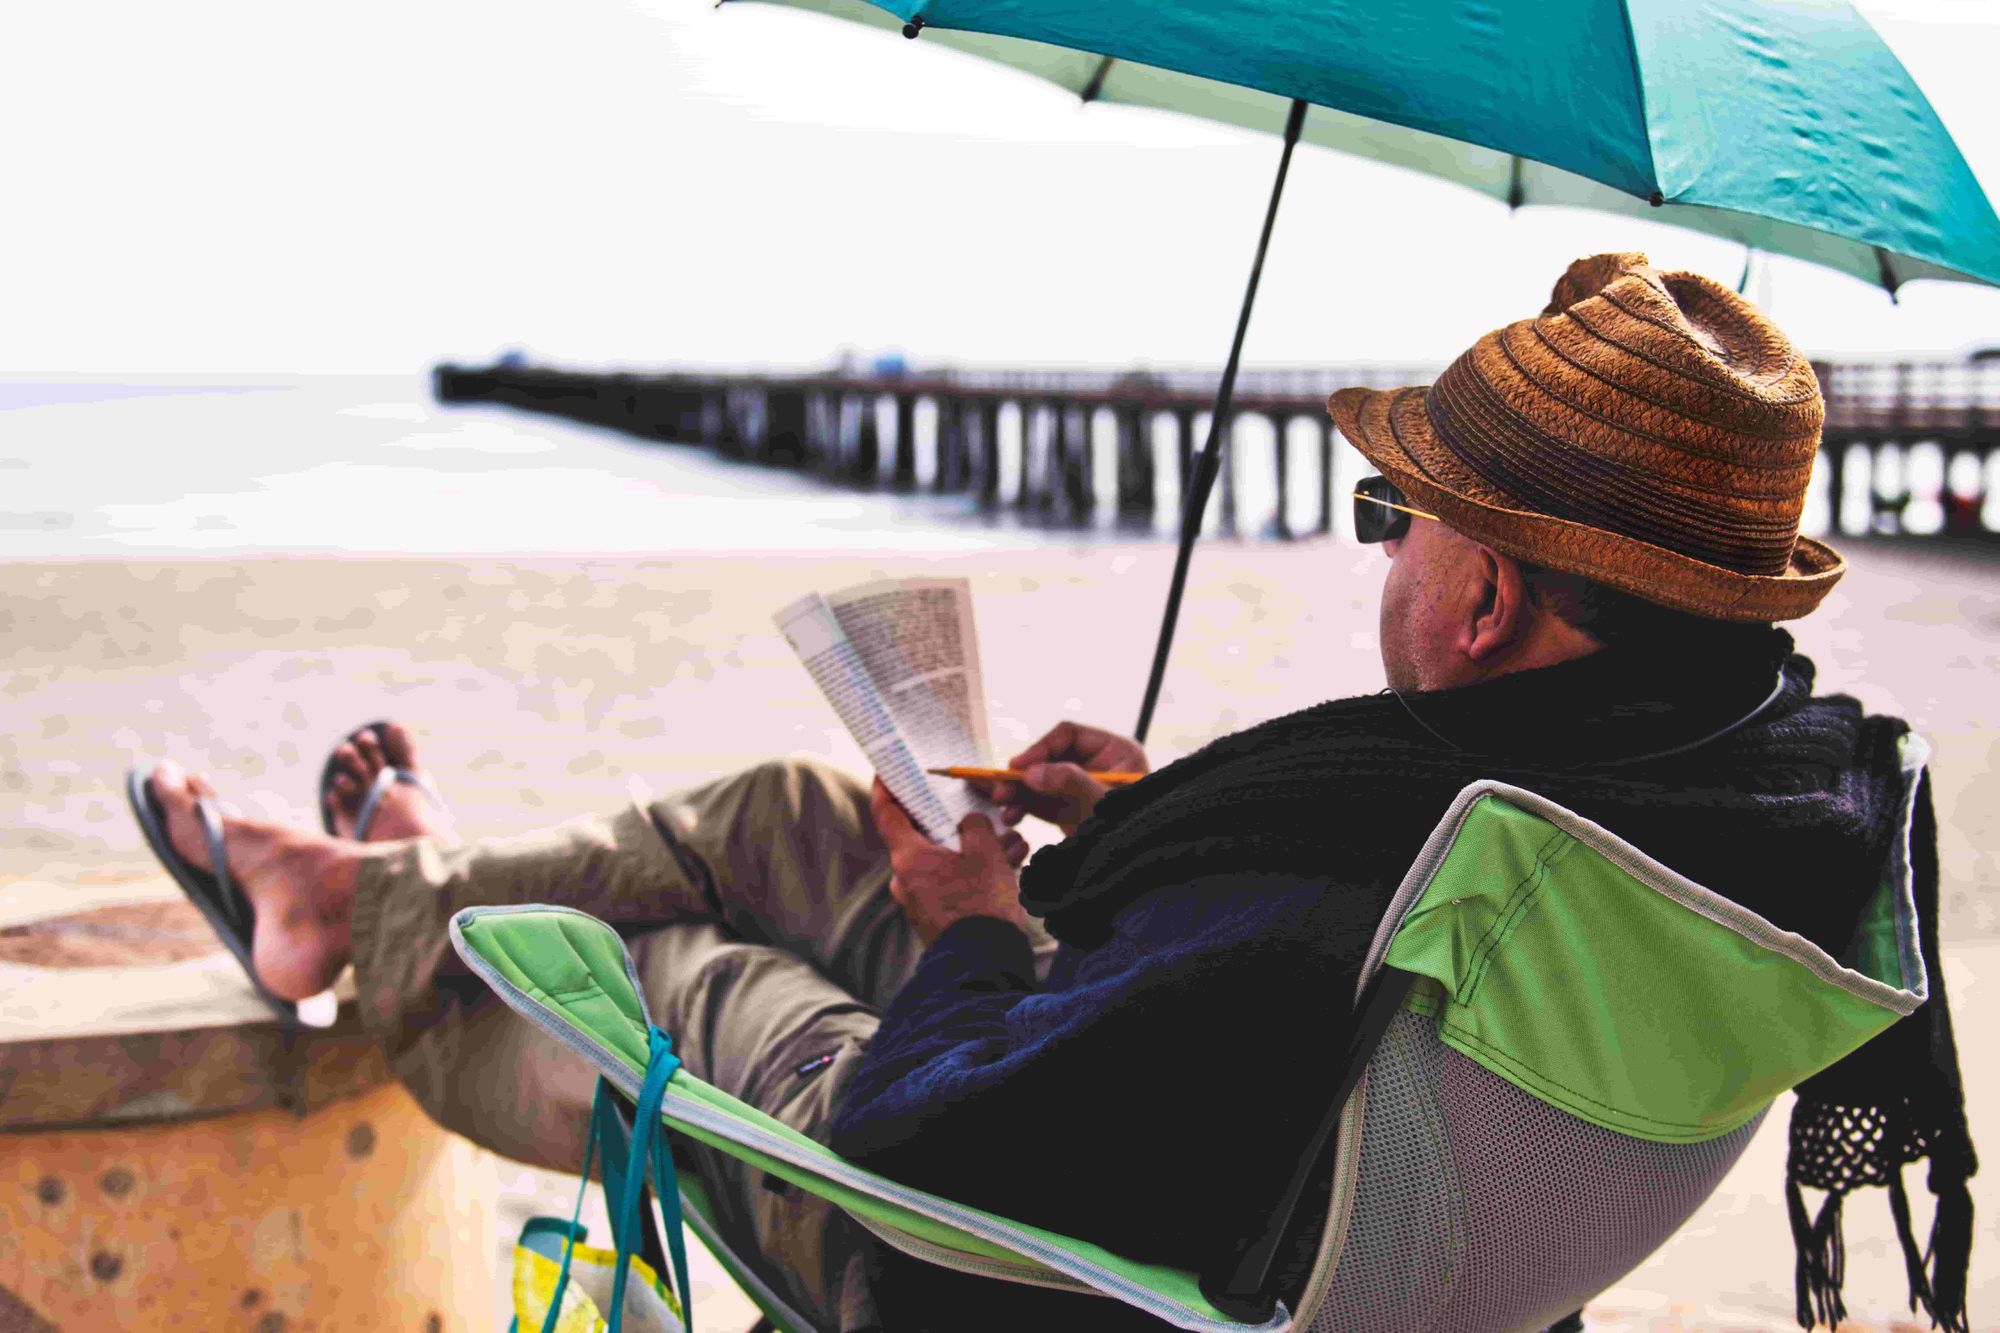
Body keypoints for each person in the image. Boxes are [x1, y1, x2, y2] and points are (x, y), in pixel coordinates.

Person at [131, 253, 1974, 1332]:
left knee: (677, 955)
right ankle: (360, 886)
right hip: (1242, 1125)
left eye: (1390, 521)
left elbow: (925, 1141)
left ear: (1488, 598)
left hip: (1007, 1261)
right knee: (797, 803)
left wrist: (975, 925)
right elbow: (1284, 965)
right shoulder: (1726, 802)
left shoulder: (1357, 890)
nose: (1382, 556)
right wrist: (1159, 824)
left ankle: (387, 911)